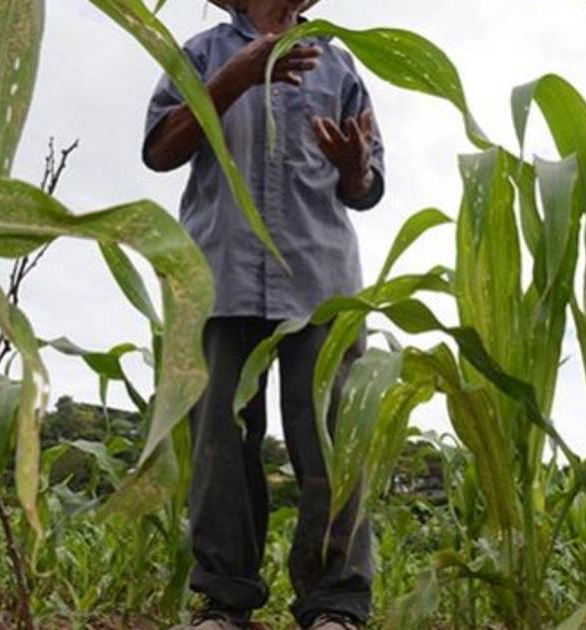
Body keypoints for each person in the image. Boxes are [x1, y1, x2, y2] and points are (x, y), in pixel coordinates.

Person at [141, 0, 385, 628]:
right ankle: (225, 602)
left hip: (320, 280)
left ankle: (335, 605)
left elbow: (366, 188)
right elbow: (161, 150)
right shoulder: (202, 54)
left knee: (330, 439)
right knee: (220, 442)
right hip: (220, 274)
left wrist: (354, 166)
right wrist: (234, 79)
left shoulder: (339, 64)